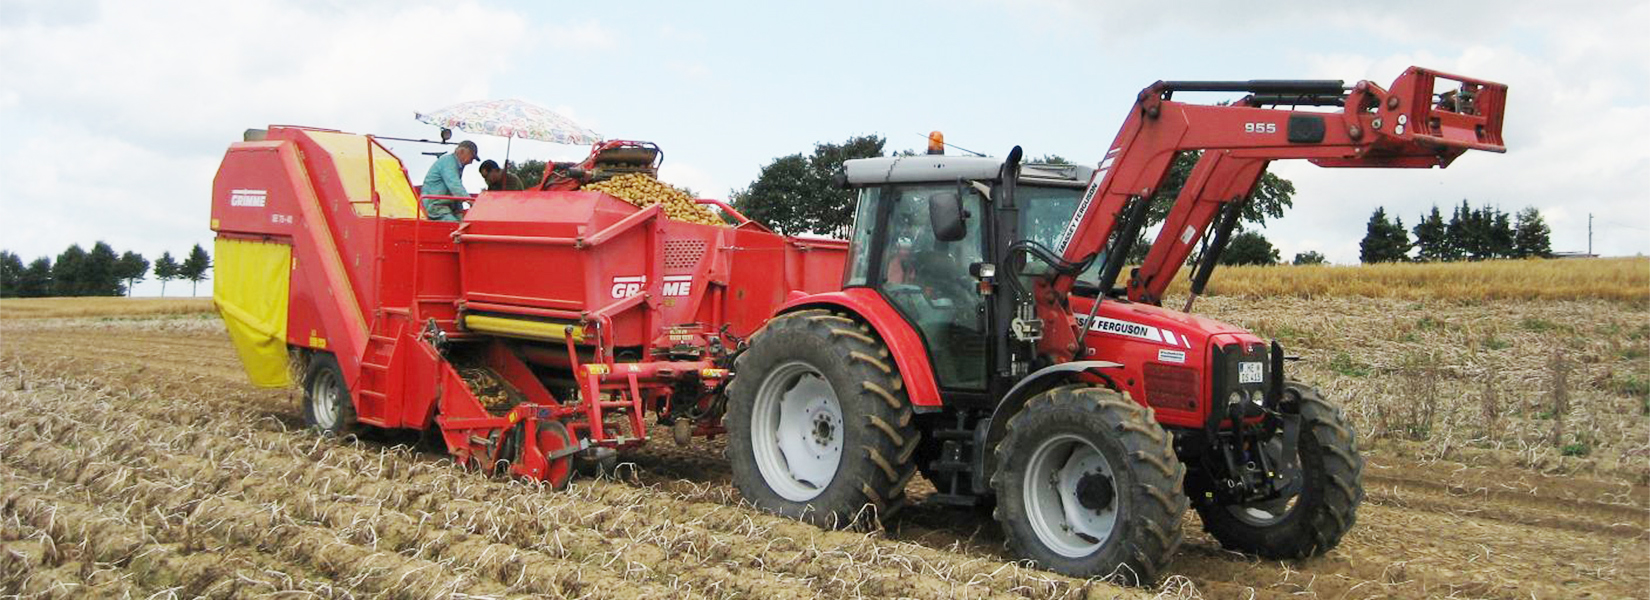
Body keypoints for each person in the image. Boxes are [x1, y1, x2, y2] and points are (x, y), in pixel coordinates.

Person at [421, 140, 478, 221]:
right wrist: (471, 201)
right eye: (471, 158)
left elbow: (456, 193)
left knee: (461, 225)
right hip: (434, 206)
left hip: (445, 207)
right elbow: (455, 186)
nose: (471, 162)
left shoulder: (455, 166)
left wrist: (460, 214)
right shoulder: (448, 163)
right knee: (454, 227)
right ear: (462, 151)